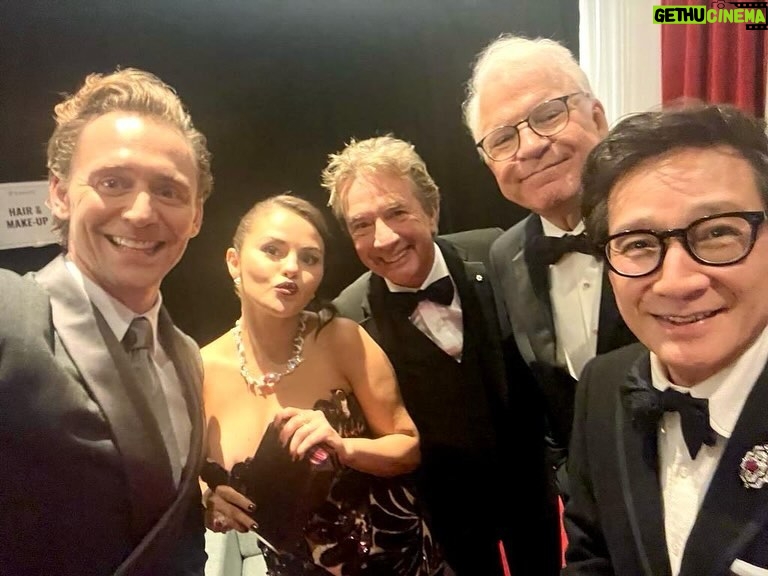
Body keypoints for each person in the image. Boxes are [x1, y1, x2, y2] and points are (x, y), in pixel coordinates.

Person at [0, 68, 213, 575]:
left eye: (169, 190)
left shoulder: (186, 355)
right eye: (113, 182)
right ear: (58, 193)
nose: (141, 212)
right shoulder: (8, 311)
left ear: (197, 216)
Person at [324, 135, 561, 576]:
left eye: (397, 212)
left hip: (530, 491)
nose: (384, 238)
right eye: (362, 225)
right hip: (442, 516)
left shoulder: (495, 253)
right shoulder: (349, 318)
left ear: (431, 210)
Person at [563, 103, 768, 575]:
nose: (676, 282)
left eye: (718, 232)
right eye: (637, 243)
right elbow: (591, 555)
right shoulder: (603, 386)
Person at [199, 194, 445, 575]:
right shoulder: (200, 371)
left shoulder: (342, 340)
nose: (292, 268)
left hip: (397, 561)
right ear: (234, 262)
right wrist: (209, 502)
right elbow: (192, 482)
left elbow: (408, 447)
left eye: (309, 258)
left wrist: (344, 447)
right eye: (272, 250)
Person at [461, 34, 637, 498]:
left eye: (547, 115)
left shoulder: (665, 219)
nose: (530, 147)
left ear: (596, 117)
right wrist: (567, 477)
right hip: (590, 505)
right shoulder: (505, 255)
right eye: (502, 138)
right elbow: (542, 398)